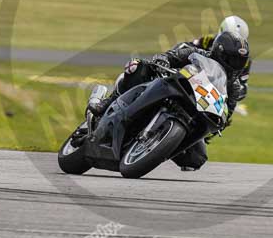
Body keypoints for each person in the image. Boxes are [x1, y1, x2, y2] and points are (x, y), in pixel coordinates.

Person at [87, 29, 250, 171]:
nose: (235, 65)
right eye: (232, 59)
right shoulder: (198, 54)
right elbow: (173, 55)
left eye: (240, 61)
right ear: (219, 51)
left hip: (195, 110)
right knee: (137, 66)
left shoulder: (233, 86)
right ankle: (106, 103)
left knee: (197, 159)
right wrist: (163, 59)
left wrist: (218, 124)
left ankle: (154, 147)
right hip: (172, 86)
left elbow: (227, 111)